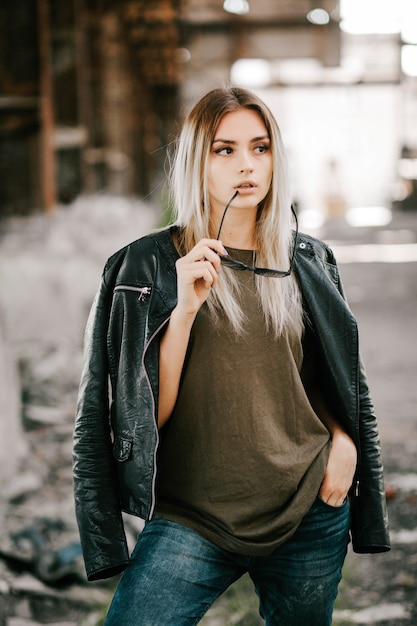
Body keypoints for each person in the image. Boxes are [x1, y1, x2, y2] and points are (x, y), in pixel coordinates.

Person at [73, 87, 390, 625]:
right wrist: (186, 311)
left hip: (308, 511)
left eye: (260, 148)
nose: (247, 165)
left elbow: (333, 380)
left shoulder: (309, 258)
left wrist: (344, 440)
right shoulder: (142, 268)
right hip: (192, 517)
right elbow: (142, 415)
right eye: (225, 150)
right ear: (199, 160)